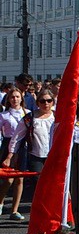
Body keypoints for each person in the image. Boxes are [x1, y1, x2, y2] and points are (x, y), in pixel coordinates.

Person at [0, 88, 29, 220]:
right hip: (8, 145)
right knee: (9, 178)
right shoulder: (4, 115)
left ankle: (14, 210)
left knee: (20, 178)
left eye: (17, 97)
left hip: (23, 146)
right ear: (8, 100)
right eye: (12, 97)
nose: (15, 99)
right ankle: (0, 202)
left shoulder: (27, 114)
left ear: (21, 98)